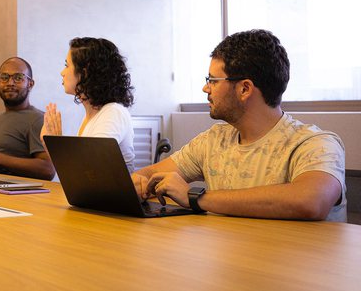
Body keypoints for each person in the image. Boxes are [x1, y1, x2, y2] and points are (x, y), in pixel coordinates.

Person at [131, 29, 345, 221]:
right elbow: (146, 175)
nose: (206, 88)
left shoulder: (315, 144)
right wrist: (137, 183)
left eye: (212, 80)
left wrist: (196, 197)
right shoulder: (213, 140)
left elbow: (310, 201)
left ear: (244, 89)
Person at [42, 37, 136, 171]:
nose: (62, 72)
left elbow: (89, 172)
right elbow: (77, 173)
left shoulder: (113, 112)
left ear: (85, 72)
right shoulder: (91, 115)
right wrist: (52, 145)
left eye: (67, 65)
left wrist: (56, 144)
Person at [0, 57, 55, 180]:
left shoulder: (38, 119)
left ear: (30, 84)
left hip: (11, 190)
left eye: (18, 78)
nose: (10, 83)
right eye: (4, 77)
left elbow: (48, 169)